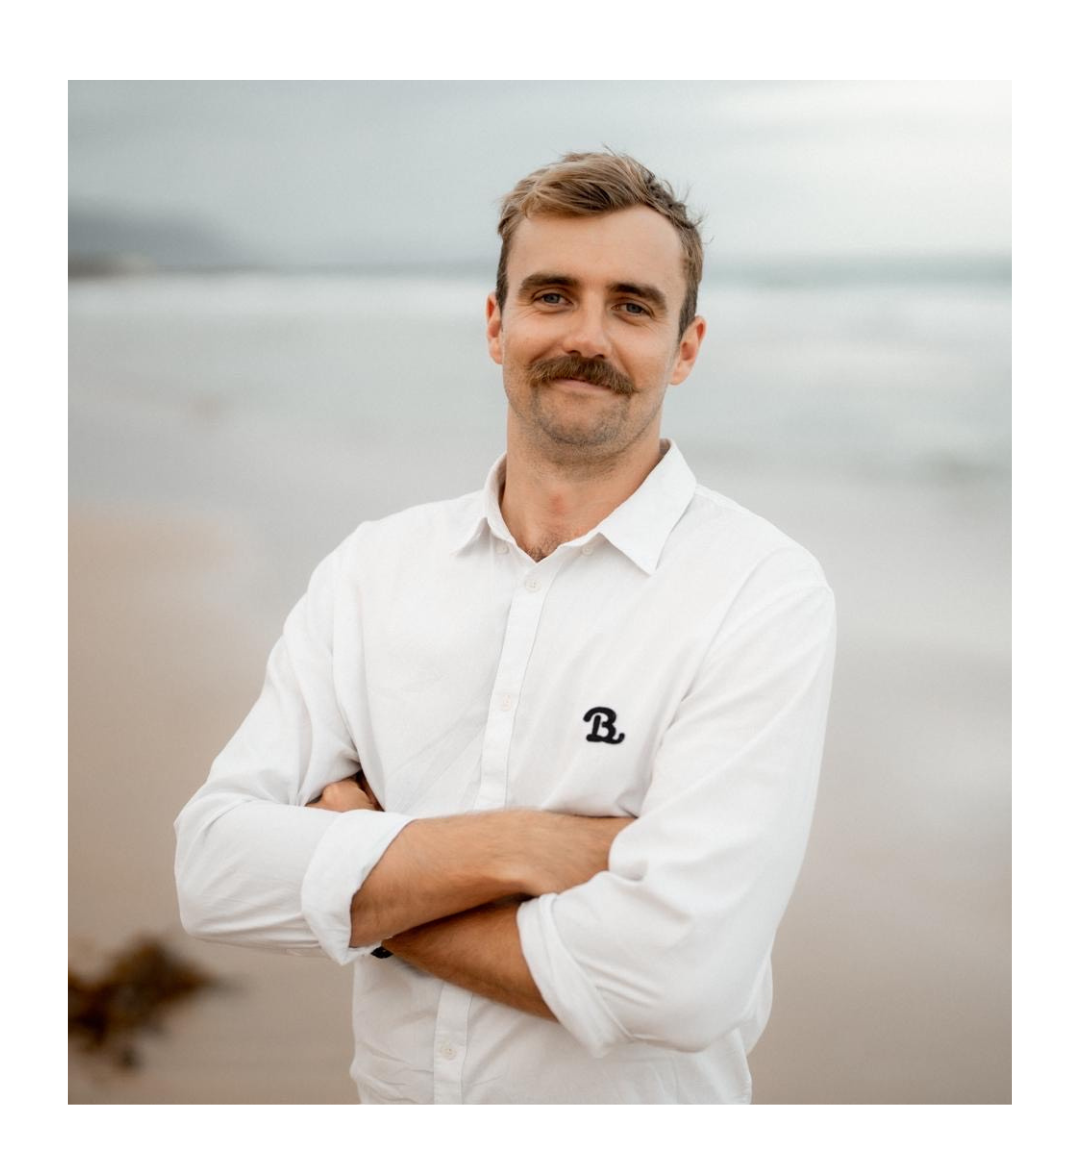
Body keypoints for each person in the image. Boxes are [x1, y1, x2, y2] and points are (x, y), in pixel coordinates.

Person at [174, 150, 836, 1104]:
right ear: (496, 323)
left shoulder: (760, 591)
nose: (587, 336)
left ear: (686, 348)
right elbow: (213, 871)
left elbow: (679, 979)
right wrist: (519, 845)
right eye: (553, 295)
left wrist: (374, 881)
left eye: (633, 306)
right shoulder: (372, 570)